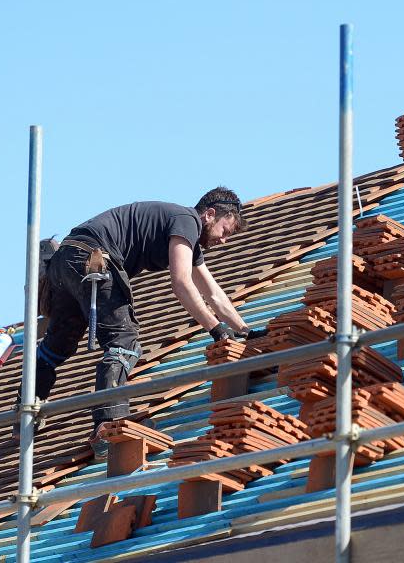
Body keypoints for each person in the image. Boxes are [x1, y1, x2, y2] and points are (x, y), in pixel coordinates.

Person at [20, 187, 266, 459]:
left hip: (67, 258)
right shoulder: (187, 221)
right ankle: (108, 425)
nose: (223, 241)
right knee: (123, 342)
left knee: (59, 343)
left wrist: (245, 331)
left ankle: (26, 405)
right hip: (93, 257)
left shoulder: (186, 235)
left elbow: (213, 293)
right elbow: (182, 282)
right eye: (225, 231)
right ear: (209, 215)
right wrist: (217, 331)